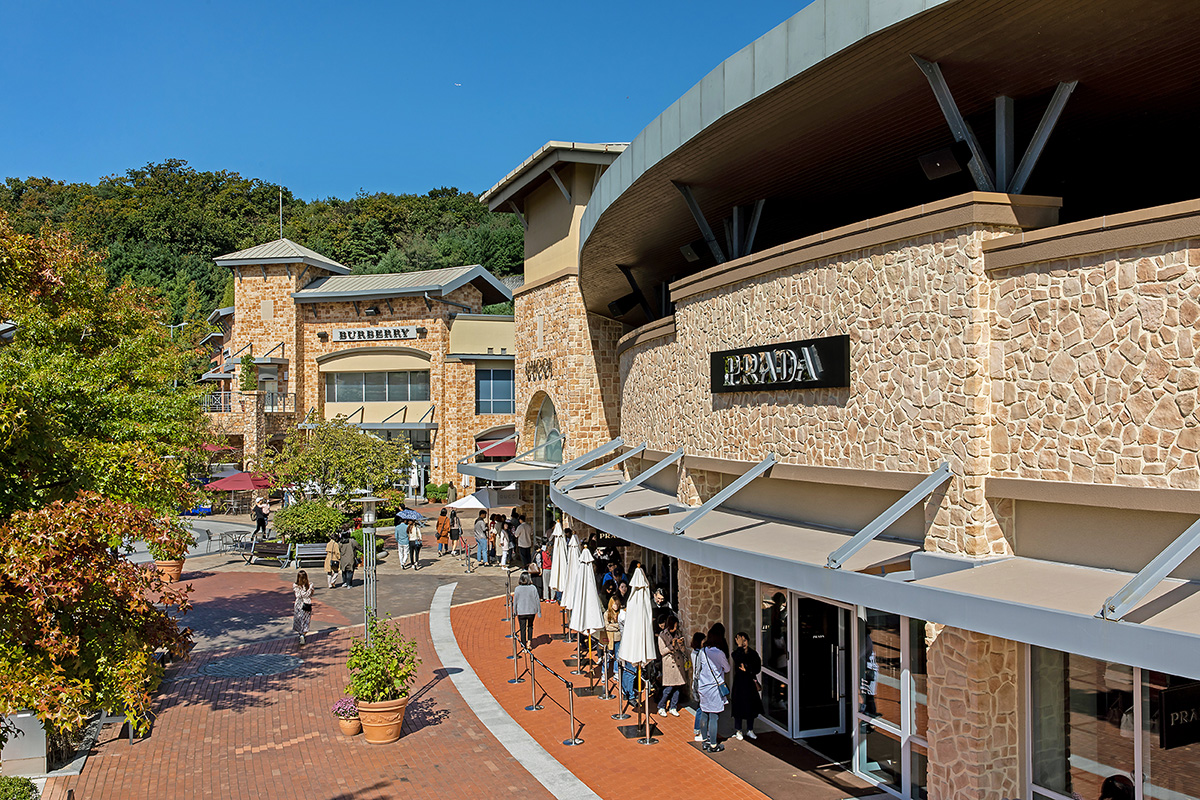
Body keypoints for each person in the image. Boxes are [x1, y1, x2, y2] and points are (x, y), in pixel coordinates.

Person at [695, 623, 730, 752]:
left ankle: (705, 740)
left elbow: (698, 669)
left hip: (703, 687)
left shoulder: (703, 651)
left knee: (704, 713)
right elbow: (727, 669)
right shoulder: (719, 653)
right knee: (714, 716)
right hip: (714, 688)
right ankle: (714, 744)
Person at [730, 631, 764, 740]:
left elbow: (757, 668)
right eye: (740, 641)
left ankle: (750, 730)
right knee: (738, 707)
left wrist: (747, 669)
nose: (743, 643)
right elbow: (738, 660)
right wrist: (740, 647)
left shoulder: (753, 654)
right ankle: (738, 730)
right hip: (739, 684)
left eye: (744, 640)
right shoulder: (736, 653)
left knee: (751, 707)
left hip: (750, 683)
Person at [656, 615, 687, 717]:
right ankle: (661, 706)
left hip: (678, 663)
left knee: (678, 687)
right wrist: (671, 646)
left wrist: (681, 644)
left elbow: (683, 650)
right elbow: (662, 651)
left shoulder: (678, 633)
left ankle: (673, 707)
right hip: (669, 663)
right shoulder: (662, 635)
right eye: (674, 625)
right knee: (669, 688)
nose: (676, 627)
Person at [513, 571, 541, 649]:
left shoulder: (517, 589)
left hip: (521, 612)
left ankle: (523, 645)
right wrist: (539, 611)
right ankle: (529, 642)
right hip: (531, 611)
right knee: (530, 626)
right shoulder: (533, 588)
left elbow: (515, 601)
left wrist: (514, 612)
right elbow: (537, 600)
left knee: (522, 629)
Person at [690, 632, 707, 742]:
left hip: (696, 683)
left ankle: (699, 729)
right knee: (701, 708)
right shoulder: (699, 653)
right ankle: (698, 729)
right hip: (699, 683)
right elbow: (698, 671)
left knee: (700, 707)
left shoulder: (694, 653)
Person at [293, 570, 313, 646]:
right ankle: (302, 634)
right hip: (304, 604)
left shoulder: (307, 585)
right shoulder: (308, 585)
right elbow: (307, 595)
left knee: (301, 620)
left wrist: (302, 589)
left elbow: (299, 595)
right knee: (303, 620)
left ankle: (301, 634)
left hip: (302, 604)